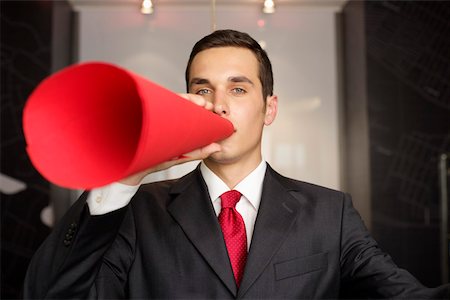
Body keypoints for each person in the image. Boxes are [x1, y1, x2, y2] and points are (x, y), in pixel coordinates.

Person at [24, 29, 449, 299]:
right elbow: (53, 293)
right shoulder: (137, 210)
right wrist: (125, 177)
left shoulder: (330, 213)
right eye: (202, 89)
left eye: (239, 89)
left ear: (270, 108)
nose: (219, 106)